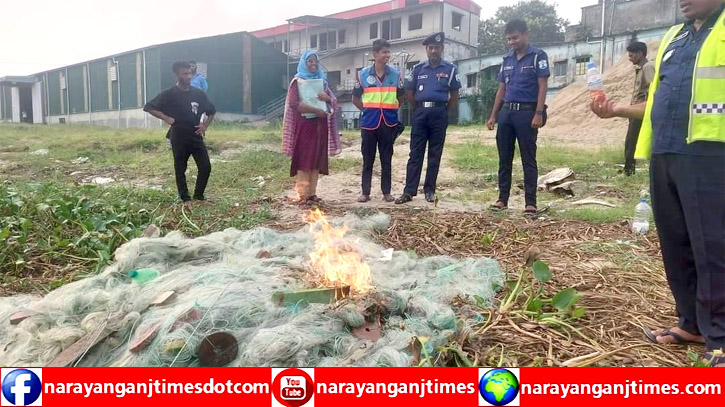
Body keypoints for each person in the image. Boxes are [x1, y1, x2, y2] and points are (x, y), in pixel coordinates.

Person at [591, 0, 724, 367]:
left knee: (712, 246)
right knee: (676, 243)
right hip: (665, 150)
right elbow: (656, 100)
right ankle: (691, 324)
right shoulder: (673, 38)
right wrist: (617, 110)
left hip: (711, 152)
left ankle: (721, 337)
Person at [486, 19, 549, 215]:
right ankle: (502, 199)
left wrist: (538, 113)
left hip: (527, 113)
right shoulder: (507, 60)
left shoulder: (538, 56)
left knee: (528, 158)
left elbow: (543, 86)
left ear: (525, 35)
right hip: (506, 113)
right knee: (504, 158)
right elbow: (501, 89)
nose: (512, 42)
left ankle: (530, 202)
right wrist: (493, 115)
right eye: (509, 39)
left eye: (515, 37)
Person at [395, 32, 461, 204]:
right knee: (415, 153)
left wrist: (445, 110)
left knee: (434, 153)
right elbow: (409, 92)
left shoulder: (450, 69)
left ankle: (430, 190)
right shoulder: (417, 69)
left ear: (442, 49)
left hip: (439, 114)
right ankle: (409, 191)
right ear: (426, 49)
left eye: (436, 47)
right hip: (420, 114)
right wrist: (418, 108)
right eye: (430, 48)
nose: (433, 50)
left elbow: (454, 94)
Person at [144, 61, 216, 205]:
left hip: (195, 135)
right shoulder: (169, 94)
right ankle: (185, 198)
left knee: (205, 166)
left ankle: (198, 196)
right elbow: (149, 107)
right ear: (176, 74)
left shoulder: (198, 94)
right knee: (180, 167)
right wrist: (166, 118)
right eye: (185, 74)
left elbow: (211, 111)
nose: (189, 76)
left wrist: (204, 126)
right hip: (178, 135)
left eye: (190, 73)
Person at [281, 50, 341, 207]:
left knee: (315, 159)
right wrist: (315, 110)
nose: (313, 64)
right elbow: (294, 104)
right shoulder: (297, 82)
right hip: (304, 126)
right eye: (310, 61)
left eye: (316, 61)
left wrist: (327, 99)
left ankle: (312, 194)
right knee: (304, 159)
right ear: (303, 63)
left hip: (319, 126)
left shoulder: (322, 82)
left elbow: (333, 100)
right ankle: (303, 195)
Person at [353, 39, 404, 203]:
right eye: (384, 52)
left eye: (388, 52)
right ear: (375, 54)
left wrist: (391, 109)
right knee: (368, 159)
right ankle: (365, 192)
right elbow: (355, 99)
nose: (387, 55)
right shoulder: (362, 75)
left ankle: (386, 192)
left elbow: (401, 97)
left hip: (388, 122)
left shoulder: (396, 75)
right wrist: (367, 109)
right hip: (369, 123)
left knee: (386, 158)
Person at [623, 41, 655, 175]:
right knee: (631, 140)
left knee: (632, 140)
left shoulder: (648, 67)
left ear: (640, 54)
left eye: (632, 56)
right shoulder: (640, 68)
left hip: (642, 110)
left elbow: (653, 88)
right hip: (637, 109)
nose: (630, 58)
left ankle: (629, 170)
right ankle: (629, 168)